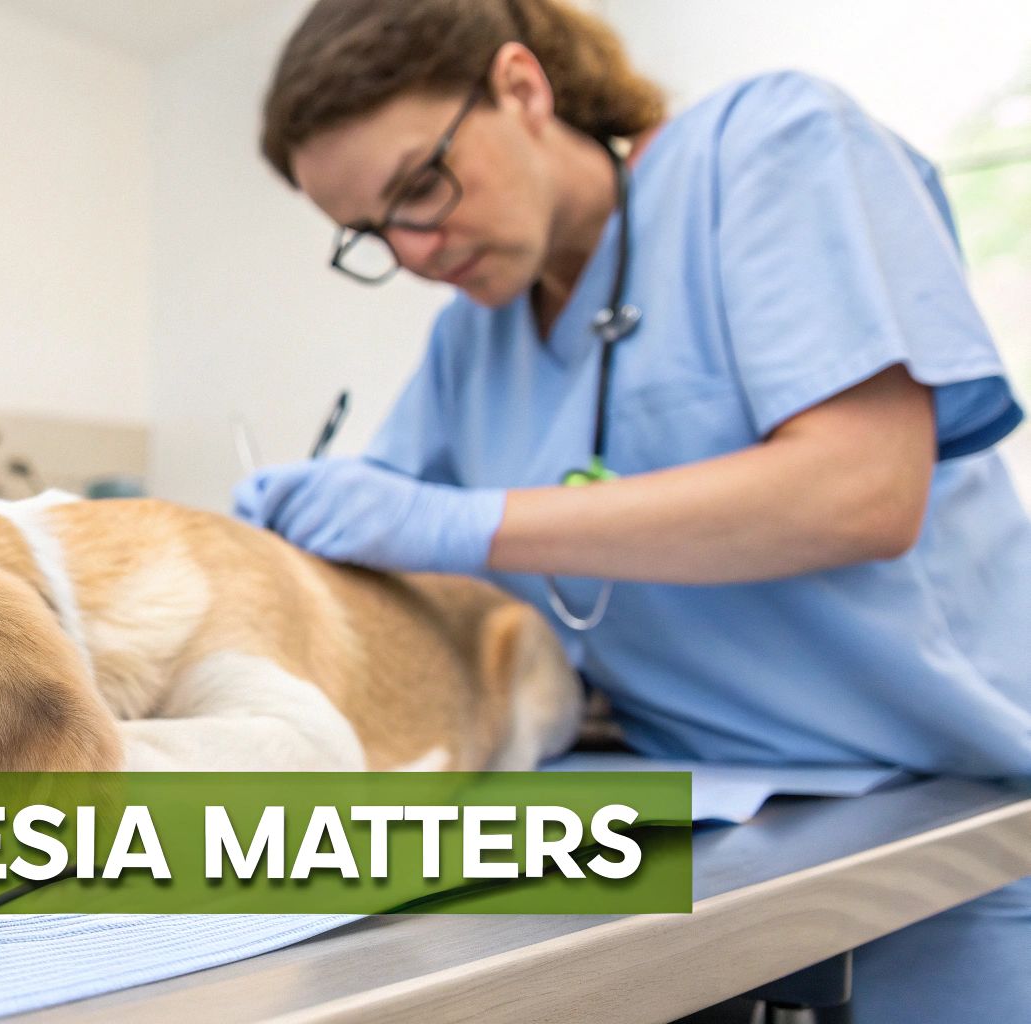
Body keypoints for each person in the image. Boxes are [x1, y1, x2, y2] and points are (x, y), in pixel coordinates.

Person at [233, 0, 1031, 1018]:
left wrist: (461, 522)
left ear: (520, 88)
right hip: (719, 832)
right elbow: (366, 574)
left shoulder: (768, 145)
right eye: (371, 232)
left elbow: (861, 490)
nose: (416, 248)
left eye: (419, 188)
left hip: (958, 812)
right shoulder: (466, 345)